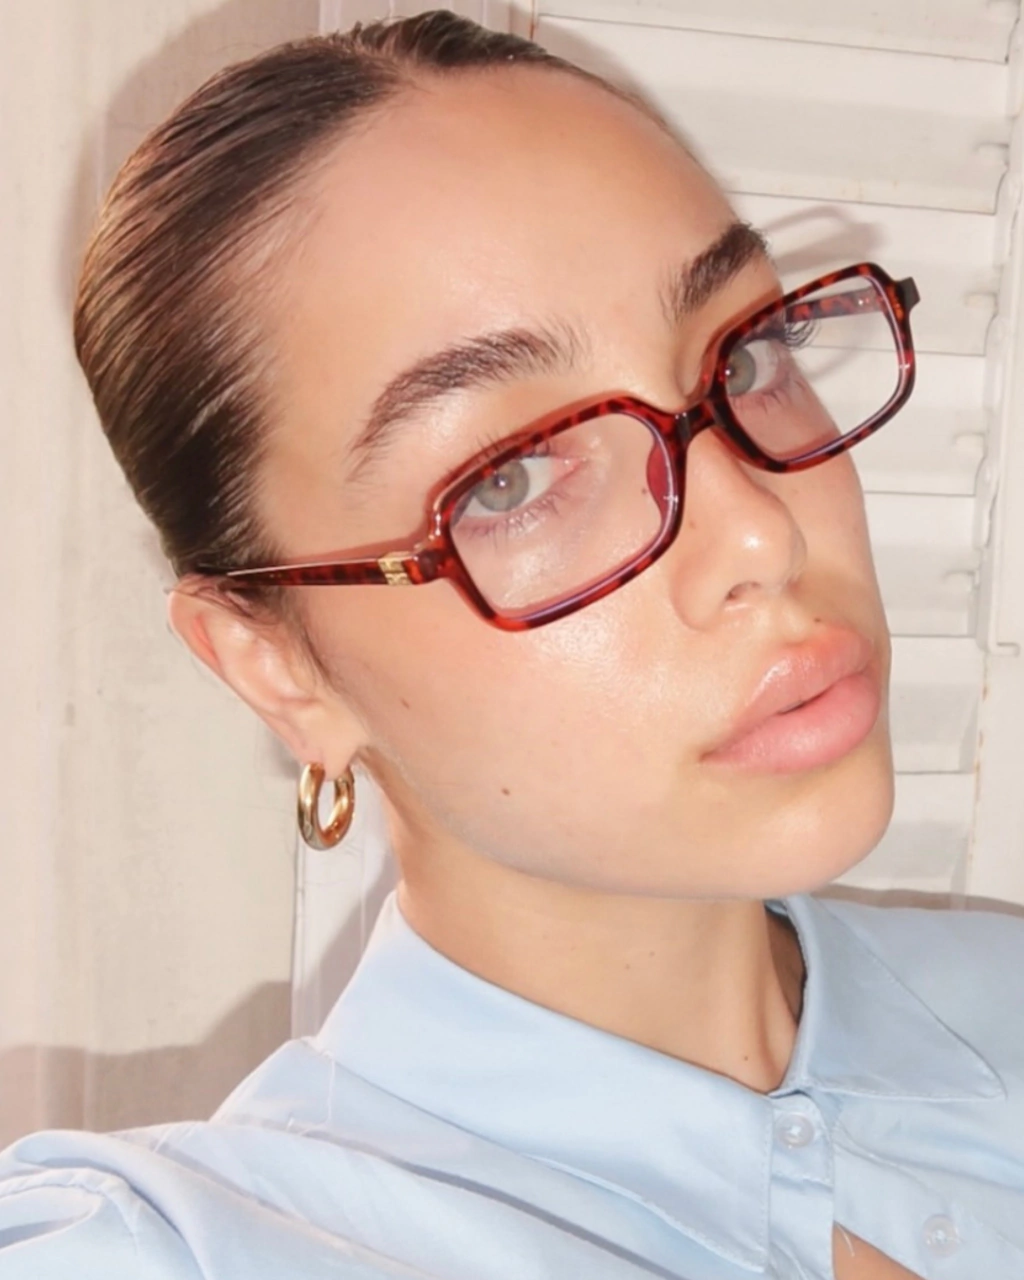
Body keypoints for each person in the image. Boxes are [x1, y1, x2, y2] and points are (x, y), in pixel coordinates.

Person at [1, 9, 1022, 1278]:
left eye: (748, 351)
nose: (762, 530)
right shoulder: (192, 1243)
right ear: (279, 666)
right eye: (511, 478)